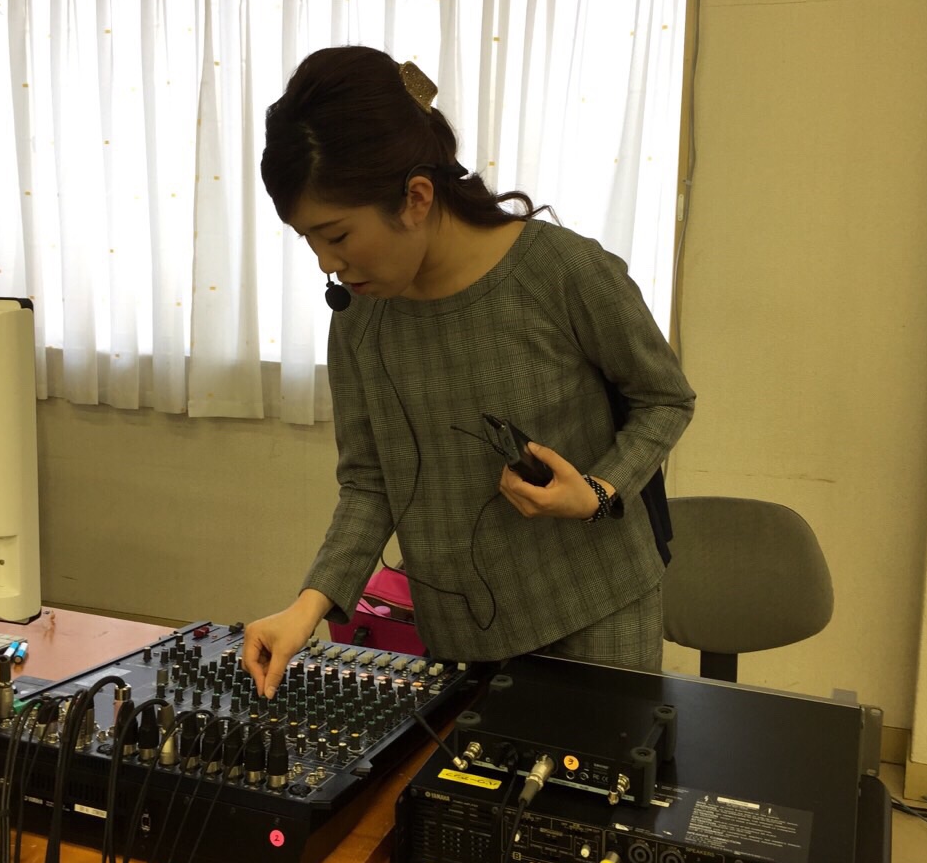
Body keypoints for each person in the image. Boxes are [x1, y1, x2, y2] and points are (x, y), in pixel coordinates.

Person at [242, 45, 695, 699]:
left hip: (598, 615)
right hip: (457, 636)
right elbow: (370, 481)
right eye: (307, 239)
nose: (326, 263)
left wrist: (598, 490)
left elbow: (665, 399)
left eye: (336, 236)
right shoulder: (360, 316)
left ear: (416, 197)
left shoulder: (562, 272)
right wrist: (307, 607)